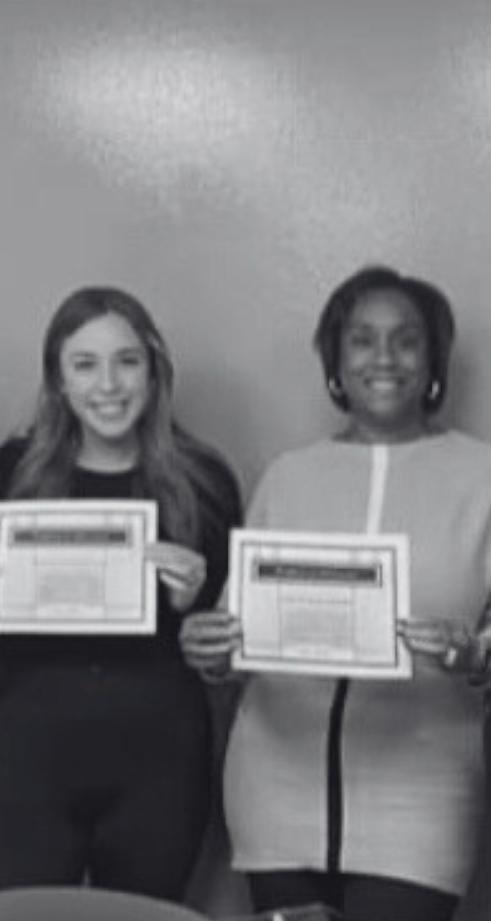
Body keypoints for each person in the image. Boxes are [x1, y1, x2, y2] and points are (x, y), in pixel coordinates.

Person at [181, 265, 491, 921]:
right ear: (335, 361)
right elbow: (239, 631)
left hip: (422, 795)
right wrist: (211, 647)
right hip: (274, 788)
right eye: (362, 339)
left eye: (406, 340)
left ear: (434, 361)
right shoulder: (289, 476)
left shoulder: (482, 477)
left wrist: (474, 654)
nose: (384, 358)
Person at [0, 286, 241, 901]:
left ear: (154, 373)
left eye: (127, 361)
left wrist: (195, 607)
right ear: (58, 381)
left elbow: (227, 651)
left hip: (158, 752)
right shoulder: (17, 469)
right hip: (33, 744)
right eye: (85, 365)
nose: (108, 384)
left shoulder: (203, 479)